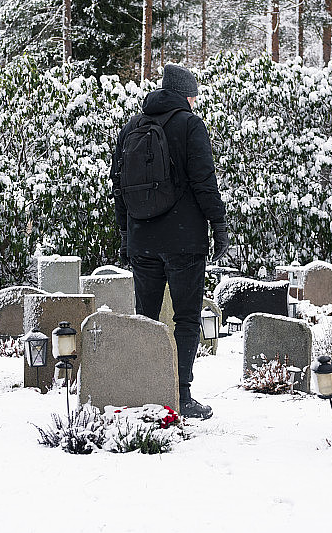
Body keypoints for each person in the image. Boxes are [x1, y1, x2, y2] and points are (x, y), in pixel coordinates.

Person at [110, 63, 229, 419]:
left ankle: (148, 388)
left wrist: (125, 233)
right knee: (187, 318)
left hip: (142, 238)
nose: (195, 101)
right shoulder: (190, 125)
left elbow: (118, 186)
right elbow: (204, 180)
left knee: (145, 317)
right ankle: (181, 394)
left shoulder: (133, 126)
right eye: (194, 95)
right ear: (185, 95)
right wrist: (218, 224)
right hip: (184, 241)